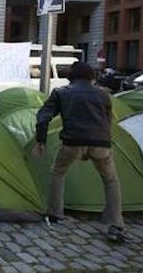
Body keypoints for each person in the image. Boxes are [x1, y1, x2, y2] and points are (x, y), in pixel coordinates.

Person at [34, 61, 126, 243]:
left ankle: (56, 214)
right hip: (101, 143)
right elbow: (107, 121)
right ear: (91, 76)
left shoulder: (61, 93)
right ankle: (115, 224)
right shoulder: (103, 96)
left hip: (72, 142)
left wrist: (41, 141)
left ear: (71, 77)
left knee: (58, 172)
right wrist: (104, 143)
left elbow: (43, 117)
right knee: (111, 181)